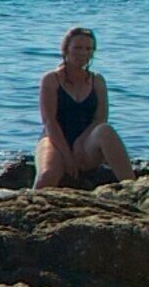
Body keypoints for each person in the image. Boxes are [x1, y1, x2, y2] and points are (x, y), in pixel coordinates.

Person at [37, 27, 134, 190]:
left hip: (85, 143)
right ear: (66, 49)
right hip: (55, 139)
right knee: (48, 175)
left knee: (105, 130)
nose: (83, 53)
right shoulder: (51, 79)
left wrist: (81, 142)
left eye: (88, 49)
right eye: (78, 48)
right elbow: (49, 121)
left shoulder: (97, 80)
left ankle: (133, 188)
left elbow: (100, 118)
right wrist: (67, 157)